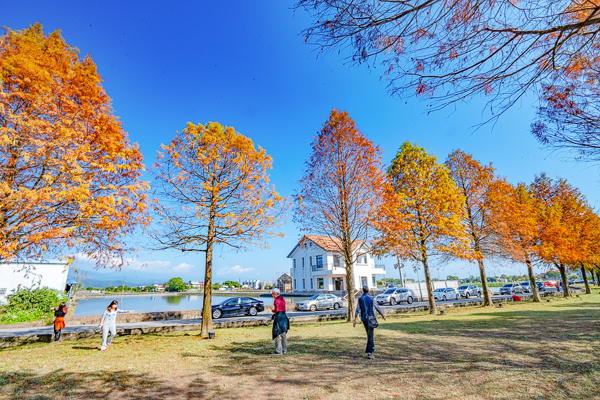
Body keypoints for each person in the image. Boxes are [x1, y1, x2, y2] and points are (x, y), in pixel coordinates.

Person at [353, 286, 386, 359]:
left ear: (362, 291)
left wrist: (355, 319)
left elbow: (357, 309)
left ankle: (372, 347)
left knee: (369, 334)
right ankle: (369, 353)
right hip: (371, 318)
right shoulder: (371, 298)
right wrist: (382, 315)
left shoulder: (360, 299)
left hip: (364, 319)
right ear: (368, 290)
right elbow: (377, 307)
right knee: (370, 335)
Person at [271, 288, 289, 355]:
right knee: (283, 334)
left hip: (279, 318)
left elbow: (277, 310)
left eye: (272, 293)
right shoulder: (282, 299)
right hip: (284, 317)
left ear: (275, 294)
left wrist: (273, 311)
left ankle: (279, 350)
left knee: (276, 334)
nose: (272, 295)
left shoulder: (276, 300)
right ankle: (284, 349)